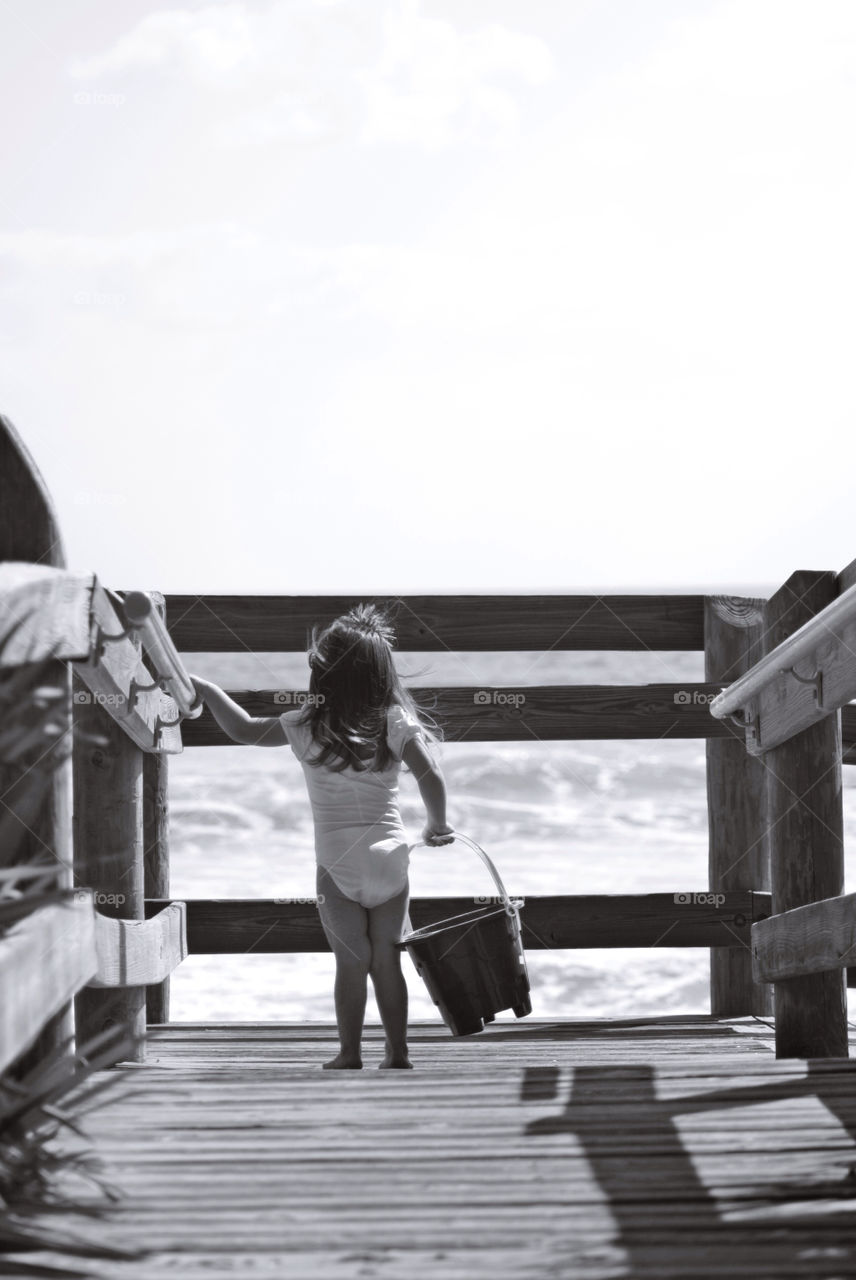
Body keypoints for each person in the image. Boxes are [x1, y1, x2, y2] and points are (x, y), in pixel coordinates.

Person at [190, 603, 454, 1070]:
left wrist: (209, 690)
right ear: (380, 674)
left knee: (351, 962)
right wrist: (436, 825)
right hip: (391, 858)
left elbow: (244, 731)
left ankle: (349, 1053)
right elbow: (430, 775)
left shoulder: (306, 725)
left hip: (337, 862)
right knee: (387, 962)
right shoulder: (393, 721)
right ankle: (398, 1053)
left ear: (322, 676)